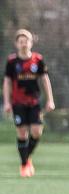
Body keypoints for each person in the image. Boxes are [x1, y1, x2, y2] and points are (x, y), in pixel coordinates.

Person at [3, 29, 54, 177]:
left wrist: (50, 99)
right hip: (18, 102)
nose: (24, 44)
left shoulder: (38, 60)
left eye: (26, 41)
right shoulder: (12, 61)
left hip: (34, 102)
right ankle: (24, 165)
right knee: (22, 133)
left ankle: (26, 158)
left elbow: (45, 80)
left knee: (37, 132)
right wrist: (6, 102)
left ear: (31, 43)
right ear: (16, 44)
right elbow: (7, 82)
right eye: (21, 41)